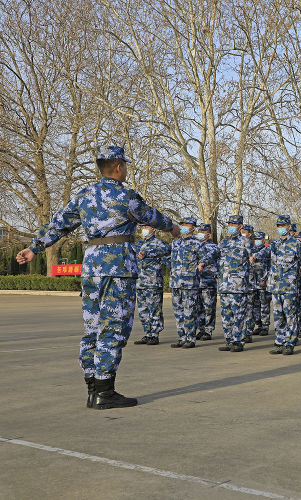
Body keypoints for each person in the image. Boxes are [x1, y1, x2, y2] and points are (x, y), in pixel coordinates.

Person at [16, 145, 179, 409]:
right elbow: (152, 217)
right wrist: (173, 227)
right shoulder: (126, 196)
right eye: (124, 165)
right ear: (118, 167)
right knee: (114, 327)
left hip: (91, 267)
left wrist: (34, 248)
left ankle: (92, 386)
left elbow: (58, 224)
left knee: (92, 326)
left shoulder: (84, 195)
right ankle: (105, 391)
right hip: (118, 268)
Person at [252, 215, 301, 355]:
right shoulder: (274, 244)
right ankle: (280, 341)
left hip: (289, 286)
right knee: (278, 315)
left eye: (284, 226)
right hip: (275, 286)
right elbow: (264, 252)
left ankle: (290, 342)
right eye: (279, 226)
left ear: (289, 227)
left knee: (290, 315)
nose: (281, 228)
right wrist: (255, 256)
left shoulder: (296, 244)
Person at [216, 215, 255, 352]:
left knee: (238, 315)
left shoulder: (247, 242)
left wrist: (249, 283)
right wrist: (217, 277)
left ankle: (238, 341)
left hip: (239, 286)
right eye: (230, 224)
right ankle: (229, 341)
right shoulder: (223, 243)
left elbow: (252, 263)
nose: (231, 226)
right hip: (224, 285)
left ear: (240, 226)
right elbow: (217, 262)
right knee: (226, 316)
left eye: (234, 224)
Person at [169, 216, 205, 349]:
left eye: (186, 224)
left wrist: (202, 264)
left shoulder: (197, 243)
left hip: (189, 283)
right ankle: (182, 337)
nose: (183, 226)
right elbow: (167, 256)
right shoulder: (175, 243)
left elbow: (206, 256)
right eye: (182, 224)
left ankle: (190, 338)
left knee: (189, 310)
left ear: (193, 228)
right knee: (178, 311)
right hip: (175, 282)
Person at [134, 225, 170, 346]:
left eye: (146, 226)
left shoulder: (159, 244)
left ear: (154, 229)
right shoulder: (139, 244)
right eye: (142, 226)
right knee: (142, 310)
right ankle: (147, 333)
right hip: (140, 282)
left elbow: (167, 256)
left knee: (154, 309)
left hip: (153, 282)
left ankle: (155, 334)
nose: (143, 229)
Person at [195, 223, 220, 341]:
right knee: (198, 307)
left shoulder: (214, 247)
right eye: (198, 231)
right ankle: (201, 329)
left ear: (208, 234)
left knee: (209, 307)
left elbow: (218, 263)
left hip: (208, 281)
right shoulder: (195, 245)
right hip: (196, 281)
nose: (199, 233)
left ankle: (208, 330)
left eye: (202, 231)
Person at [252, 231, 272, 336]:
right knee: (255, 305)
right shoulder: (252, 250)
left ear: (264, 239)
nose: (257, 241)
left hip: (263, 283)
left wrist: (265, 279)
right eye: (256, 239)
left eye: (259, 239)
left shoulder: (267, 251)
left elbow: (270, 267)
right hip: (253, 283)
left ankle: (265, 326)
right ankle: (258, 324)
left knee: (264, 305)